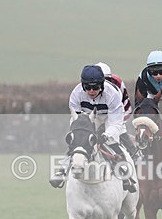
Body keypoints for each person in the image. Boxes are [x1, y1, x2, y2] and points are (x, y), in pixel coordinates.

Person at [49, 64, 137, 192]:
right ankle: (61, 171)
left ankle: (125, 173)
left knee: (112, 141)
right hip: (86, 119)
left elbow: (116, 124)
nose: (91, 91)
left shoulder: (112, 95)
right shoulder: (76, 94)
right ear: (82, 85)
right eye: (87, 87)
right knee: (78, 141)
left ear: (102, 85)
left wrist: (105, 136)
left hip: (109, 118)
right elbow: (77, 121)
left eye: (95, 87)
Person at [95, 61, 138, 158]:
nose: (104, 83)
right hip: (97, 116)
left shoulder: (117, 83)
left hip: (115, 115)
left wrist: (117, 124)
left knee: (119, 131)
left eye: (107, 79)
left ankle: (135, 156)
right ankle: (64, 167)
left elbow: (126, 107)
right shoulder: (88, 85)